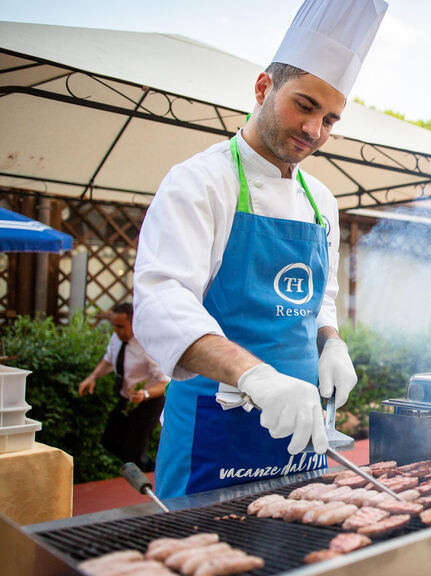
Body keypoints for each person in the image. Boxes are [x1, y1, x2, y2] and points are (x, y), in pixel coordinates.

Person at [132, 0, 387, 498]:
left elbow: (320, 299)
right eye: (305, 105)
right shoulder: (200, 182)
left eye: (330, 119)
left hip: (300, 430)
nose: (315, 131)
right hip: (214, 429)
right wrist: (255, 376)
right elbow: (162, 302)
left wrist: (330, 342)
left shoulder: (322, 202)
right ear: (263, 87)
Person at [78, 302, 170, 472]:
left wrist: (145, 394)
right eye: (114, 326)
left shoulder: (147, 345)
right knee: (109, 439)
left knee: (134, 452)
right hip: (127, 398)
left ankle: (149, 473)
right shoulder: (117, 338)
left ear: (134, 323)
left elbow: (166, 382)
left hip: (149, 402)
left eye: (121, 326)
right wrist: (92, 377)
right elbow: (108, 360)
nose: (117, 331)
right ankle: (145, 466)